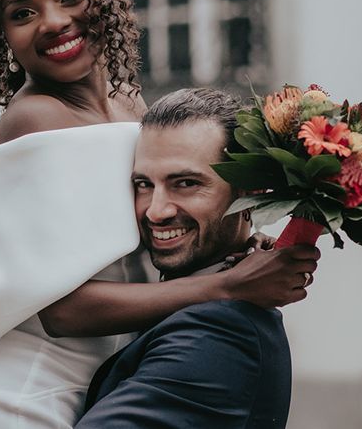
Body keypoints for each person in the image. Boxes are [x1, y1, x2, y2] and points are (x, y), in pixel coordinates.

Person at [0, 0, 318, 429]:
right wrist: (229, 286)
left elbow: (156, 231)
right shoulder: (35, 118)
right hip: (13, 389)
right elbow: (62, 311)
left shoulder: (130, 104)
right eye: (22, 12)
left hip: (89, 381)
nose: (53, 21)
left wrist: (239, 243)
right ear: (2, 36)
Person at [76, 87, 312, 428]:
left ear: (252, 191)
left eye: (185, 183)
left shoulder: (220, 333)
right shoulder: (190, 298)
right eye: (143, 184)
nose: (156, 211)